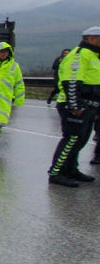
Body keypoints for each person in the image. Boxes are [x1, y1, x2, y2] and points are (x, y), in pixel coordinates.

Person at [47, 27, 100, 187]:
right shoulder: (79, 55)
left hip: (90, 106)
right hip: (75, 106)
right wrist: (75, 105)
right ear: (91, 39)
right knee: (71, 139)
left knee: (81, 140)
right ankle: (56, 172)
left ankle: (71, 170)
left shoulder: (93, 55)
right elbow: (71, 81)